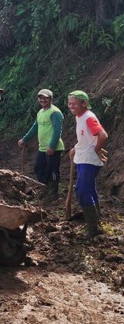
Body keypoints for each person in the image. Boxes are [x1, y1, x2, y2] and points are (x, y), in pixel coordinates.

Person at [67, 90, 108, 239]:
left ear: (84, 104)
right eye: (69, 103)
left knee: (83, 191)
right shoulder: (80, 117)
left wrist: (96, 149)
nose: (71, 106)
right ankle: (96, 222)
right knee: (89, 189)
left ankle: (93, 229)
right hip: (83, 156)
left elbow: (103, 135)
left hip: (89, 160)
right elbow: (87, 137)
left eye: (74, 104)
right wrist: (75, 148)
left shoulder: (89, 117)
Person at [18, 89, 65, 201]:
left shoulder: (55, 113)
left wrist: (52, 146)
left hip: (53, 148)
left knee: (52, 170)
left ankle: (53, 193)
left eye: (46, 98)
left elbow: (57, 131)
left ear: (51, 99)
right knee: (39, 168)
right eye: (41, 98)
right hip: (43, 148)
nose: (43, 100)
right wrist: (25, 139)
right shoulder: (41, 112)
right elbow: (35, 127)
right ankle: (45, 189)